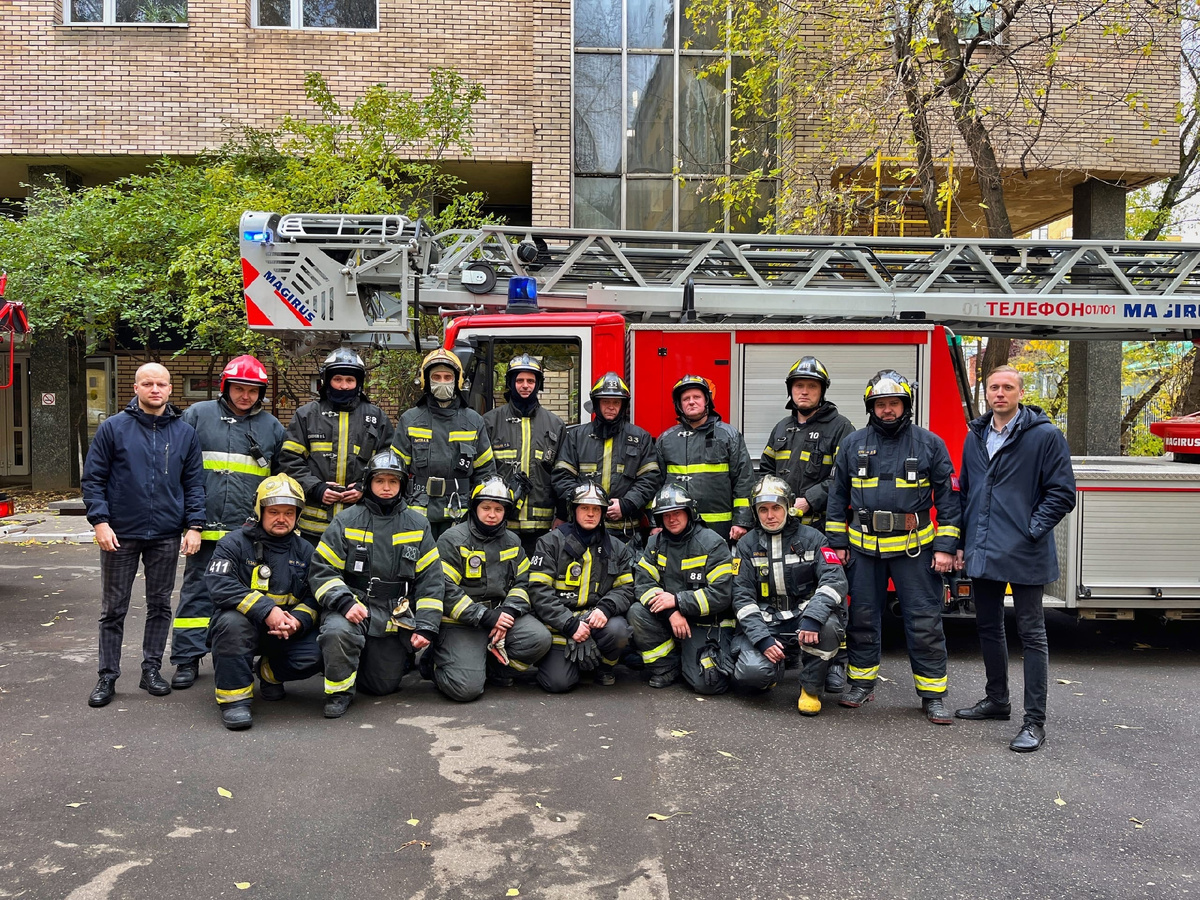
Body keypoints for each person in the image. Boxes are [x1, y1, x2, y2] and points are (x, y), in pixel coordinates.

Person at [825, 370, 961, 725]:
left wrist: (946, 547)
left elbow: (949, 501)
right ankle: (861, 683)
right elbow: (837, 497)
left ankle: (933, 695)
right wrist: (838, 544)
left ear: (906, 406)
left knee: (924, 622)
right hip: (863, 550)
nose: (887, 410)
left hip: (915, 551)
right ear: (872, 407)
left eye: (894, 404)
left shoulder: (930, 444)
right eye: (881, 404)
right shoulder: (853, 444)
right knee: (863, 619)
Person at [954, 365, 1076, 752]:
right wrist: (960, 541)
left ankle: (1034, 722)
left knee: (1032, 634)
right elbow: (966, 493)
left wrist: (1031, 529)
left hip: (1025, 550)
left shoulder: (1045, 437)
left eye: (1008, 387)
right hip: (983, 549)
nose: (1000, 393)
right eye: (994, 387)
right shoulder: (975, 436)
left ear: (1021, 393)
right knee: (988, 627)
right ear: (985, 393)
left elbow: (1062, 493)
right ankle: (997, 701)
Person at [83, 363, 206, 708]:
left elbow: (194, 484)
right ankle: (107, 676)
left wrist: (194, 526)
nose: (155, 389)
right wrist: (100, 522)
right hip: (120, 532)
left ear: (170, 390)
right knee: (113, 609)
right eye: (148, 383)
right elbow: (93, 480)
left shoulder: (184, 434)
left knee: (159, 605)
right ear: (135, 388)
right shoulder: (113, 429)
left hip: (166, 534)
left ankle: (151, 669)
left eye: (162, 384)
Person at [169, 354, 285, 691]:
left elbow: (279, 479)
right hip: (203, 527)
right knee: (195, 593)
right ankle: (187, 659)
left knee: (249, 595)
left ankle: (242, 656)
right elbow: (179, 466)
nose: (245, 396)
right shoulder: (197, 415)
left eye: (252, 390)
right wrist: (188, 520)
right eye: (239, 388)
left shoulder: (271, 426)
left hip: (247, 532)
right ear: (226, 386)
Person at [308, 450, 443, 719]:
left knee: (381, 686)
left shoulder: (417, 523)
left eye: (393, 482)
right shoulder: (346, 520)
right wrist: (343, 601)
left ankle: (375, 659)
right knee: (337, 632)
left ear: (402, 485)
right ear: (368, 482)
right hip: (353, 605)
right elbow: (321, 570)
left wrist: (427, 626)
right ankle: (339, 692)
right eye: (379, 480)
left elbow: (431, 580)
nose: (386, 487)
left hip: (393, 614)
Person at [759, 355, 855, 692]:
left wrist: (809, 499)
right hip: (784, 531)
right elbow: (766, 472)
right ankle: (791, 652)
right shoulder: (781, 429)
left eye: (811, 386)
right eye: (799, 386)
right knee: (787, 591)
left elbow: (844, 478)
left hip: (821, 529)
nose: (804, 391)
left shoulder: (840, 427)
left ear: (822, 391)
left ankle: (835, 664)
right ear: (791, 390)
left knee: (829, 596)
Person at [205, 474, 322, 730]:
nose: (282, 519)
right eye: (274, 512)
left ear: (297, 515)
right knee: (231, 623)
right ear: (260, 511)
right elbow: (219, 584)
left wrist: (298, 622)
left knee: (320, 648)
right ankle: (234, 701)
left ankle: (269, 673)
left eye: (289, 513)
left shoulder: (306, 551)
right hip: (244, 628)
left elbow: (315, 596)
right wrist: (266, 610)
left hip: (284, 633)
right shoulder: (233, 543)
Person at [730, 476, 848, 715]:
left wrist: (813, 617)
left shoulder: (814, 538)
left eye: (776, 508)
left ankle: (810, 688)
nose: (770, 516)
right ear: (755, 512)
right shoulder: (746, 545)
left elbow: (835, 580)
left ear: (788, 507)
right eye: (763, 509)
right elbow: (741, 598)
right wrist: (762, 639)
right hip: (767, 621)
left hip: (804, 618)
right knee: (752, 674)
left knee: (828, 628)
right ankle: (774, 668)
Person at [431, 476, 553, 701]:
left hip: (501, 617)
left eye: (498, 509)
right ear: (474, 507)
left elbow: (523, 582)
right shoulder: (452, 539)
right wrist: (484, 616)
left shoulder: (513, 541)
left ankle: (494, 669)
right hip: (461, 622)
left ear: (506, 512)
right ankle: (434, 664)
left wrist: (509, 612)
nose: (492, 514)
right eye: (486, 507)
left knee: (539, 639)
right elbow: (444, 589)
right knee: (465, 690)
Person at [277, 348, 394, 544]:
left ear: (359, 383)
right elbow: (289, 460)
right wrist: (316, 488)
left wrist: (364, 488)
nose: (343, 386)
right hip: (314, 526)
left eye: (350, 380)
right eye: (337, 379)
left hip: (361, 523)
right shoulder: (306, 415)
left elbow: (388, 464)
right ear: (326, 381)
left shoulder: (377, 418)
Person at [528, 482, 636, 692]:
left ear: (603, 512)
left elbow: (626, 589)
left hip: (595, 622)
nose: (590, 514)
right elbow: (539, 592)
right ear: (573, 510)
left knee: (619, 631)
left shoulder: (617, 547)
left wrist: (605, 609)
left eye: (596, 509)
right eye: (584, 508)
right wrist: (570, 625)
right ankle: (568, 661)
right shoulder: (549, 543)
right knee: (558, 683)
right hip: (560, 626)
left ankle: (603, 666)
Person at [628, 483, 734, 693]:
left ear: (689, 513)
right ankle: (667, 666)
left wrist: (678, 601)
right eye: (665, 515)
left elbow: (722, 595)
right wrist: (671, 611)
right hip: (673, 618)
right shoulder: (655, 543)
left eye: (677, 513)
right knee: (637, 612)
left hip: (706, 623)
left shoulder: (712, 544)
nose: (671, 519)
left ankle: (688, 658)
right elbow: (643, 583)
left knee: (707, 686)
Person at [393, 348, 496, 538]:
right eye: (436, 377)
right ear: (426, 381)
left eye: (447, 377)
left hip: (461, 514)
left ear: (457, 381)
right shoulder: (410, 420)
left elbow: (486, 473)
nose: (442, 382)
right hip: (417, 512)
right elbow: (395, 473)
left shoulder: (473, 421)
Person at [553, 372, 660, 546]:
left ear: (623, 405)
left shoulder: (640, 437)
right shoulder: (576, 436)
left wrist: (626, 504)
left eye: (616, 402)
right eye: (606, 401)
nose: (611, 406)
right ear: (596, 404)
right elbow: (561, 477)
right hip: (581, 529)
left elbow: (651, 478)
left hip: (625, 532)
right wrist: (587, 503)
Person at [655, 375, 754, 542]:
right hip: (677, 527)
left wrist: (742, 521)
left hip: (720, 527)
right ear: (679, 405)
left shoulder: (729, 436)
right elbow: (655, 484)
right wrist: (655, 522)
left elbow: (744, 480)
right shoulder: (666, 440)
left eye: (697, 397)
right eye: (686, 399)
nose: (691, 402)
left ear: (707, 400)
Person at [483, 354, 565, 554]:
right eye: (519, 380)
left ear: (538, 385)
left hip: (543, 528)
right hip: (501, 524)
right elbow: (481, 473)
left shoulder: (555, 424)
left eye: (531, 381)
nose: (525, 386)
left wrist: (562, 514)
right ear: (511, 383)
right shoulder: (490, 422)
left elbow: (563, 475)